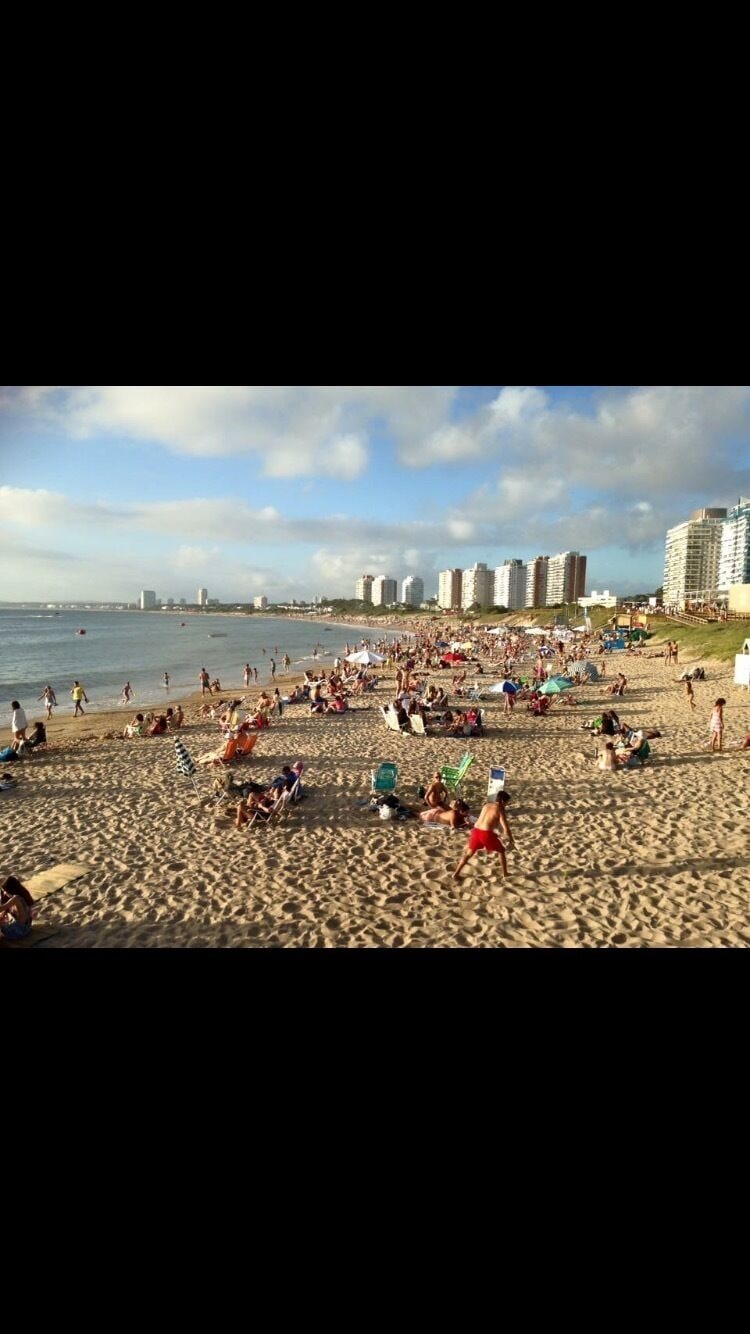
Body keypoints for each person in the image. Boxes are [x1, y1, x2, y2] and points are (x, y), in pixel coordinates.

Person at [453, 792, 515, 879]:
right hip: (486, 834)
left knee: (468, 853)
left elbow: (487, 820)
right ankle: (505, 873)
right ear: (502, 801)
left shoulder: (486, 805)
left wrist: (496, 834)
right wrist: (511, 839)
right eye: (506, 802)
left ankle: (456, 873)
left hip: (475, 831)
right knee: (501, 850)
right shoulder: (500, 808)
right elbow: (506, 828)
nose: (506, 804)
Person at [0, 875, 34, 942]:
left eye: (5, 890)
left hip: (17, 932)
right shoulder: (22, 896)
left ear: (10, 889)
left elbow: (2, 908)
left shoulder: (16, 898)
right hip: (26, 929)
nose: (4, 893)